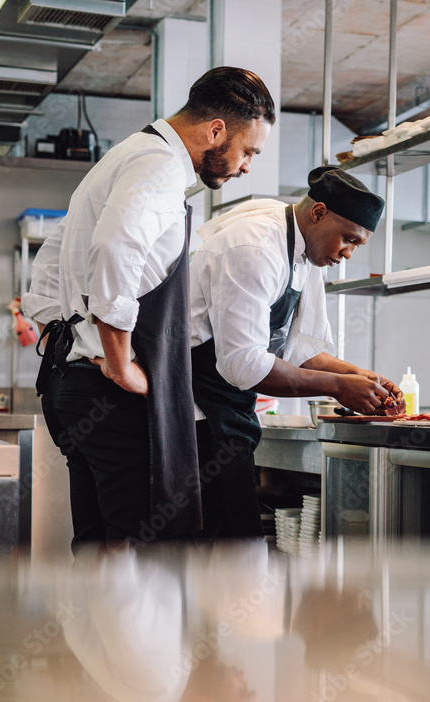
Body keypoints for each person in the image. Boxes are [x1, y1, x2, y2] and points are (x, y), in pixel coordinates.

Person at [22, 67, 276, 547]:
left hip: (71, 387)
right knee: (141, 559)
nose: (246, 166)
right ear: (215, 130)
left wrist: (66, 338)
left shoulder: (125, 155)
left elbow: (49, 263)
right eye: (249, 151)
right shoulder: (158, 165)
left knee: (101, 552)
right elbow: (116, 250)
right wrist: (119, 365)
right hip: (107, 395)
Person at [189, 166, 401, 538]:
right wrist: (337, 387)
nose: (348, 253)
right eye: (348, 239)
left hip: (229, 410)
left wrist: (358, 377)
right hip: (196, 411)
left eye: (358, 245)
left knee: (237, 541)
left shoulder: (307, 251)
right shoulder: (255, 247)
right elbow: (243, 364)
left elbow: (302, 349)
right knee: (223, 545)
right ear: (318, 213)